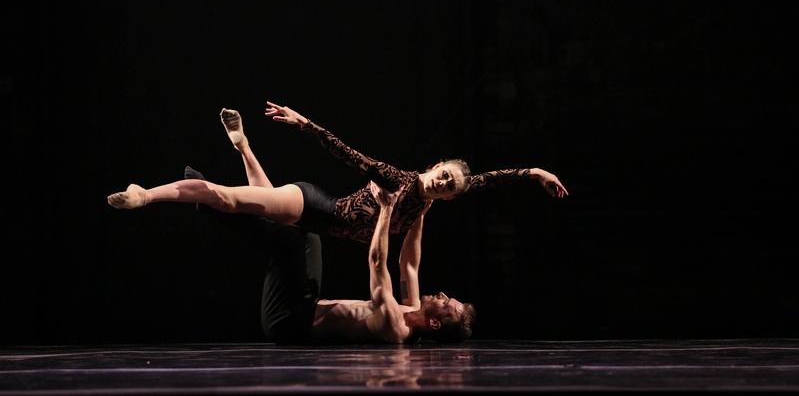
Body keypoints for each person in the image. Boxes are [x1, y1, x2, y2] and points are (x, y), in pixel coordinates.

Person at [107, 102, 569, 247]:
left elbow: (484, 180)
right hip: (315, 205)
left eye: (449, 186)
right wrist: (304, 123)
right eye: (443, 174)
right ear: (433, 168)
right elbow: (347, 153)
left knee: (258, 203)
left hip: (313, 225)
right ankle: (146, 194)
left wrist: (533, 173)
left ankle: (242, 145)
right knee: (227, 199)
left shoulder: (421, 211)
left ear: (447, 197)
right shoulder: (397, 179)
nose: (443, 182)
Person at [186, 166, 474, 344]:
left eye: (446, 302)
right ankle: (238, 181)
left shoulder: (396, 328)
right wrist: (421, 211)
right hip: (306, 303)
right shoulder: (411, 308)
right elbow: (409, 264)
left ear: (434, 323)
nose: (442, 294)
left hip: (288, 322)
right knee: (306, 230)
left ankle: (211, 204)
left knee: (290, 242)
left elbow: (377, 263)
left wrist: (386, 209)